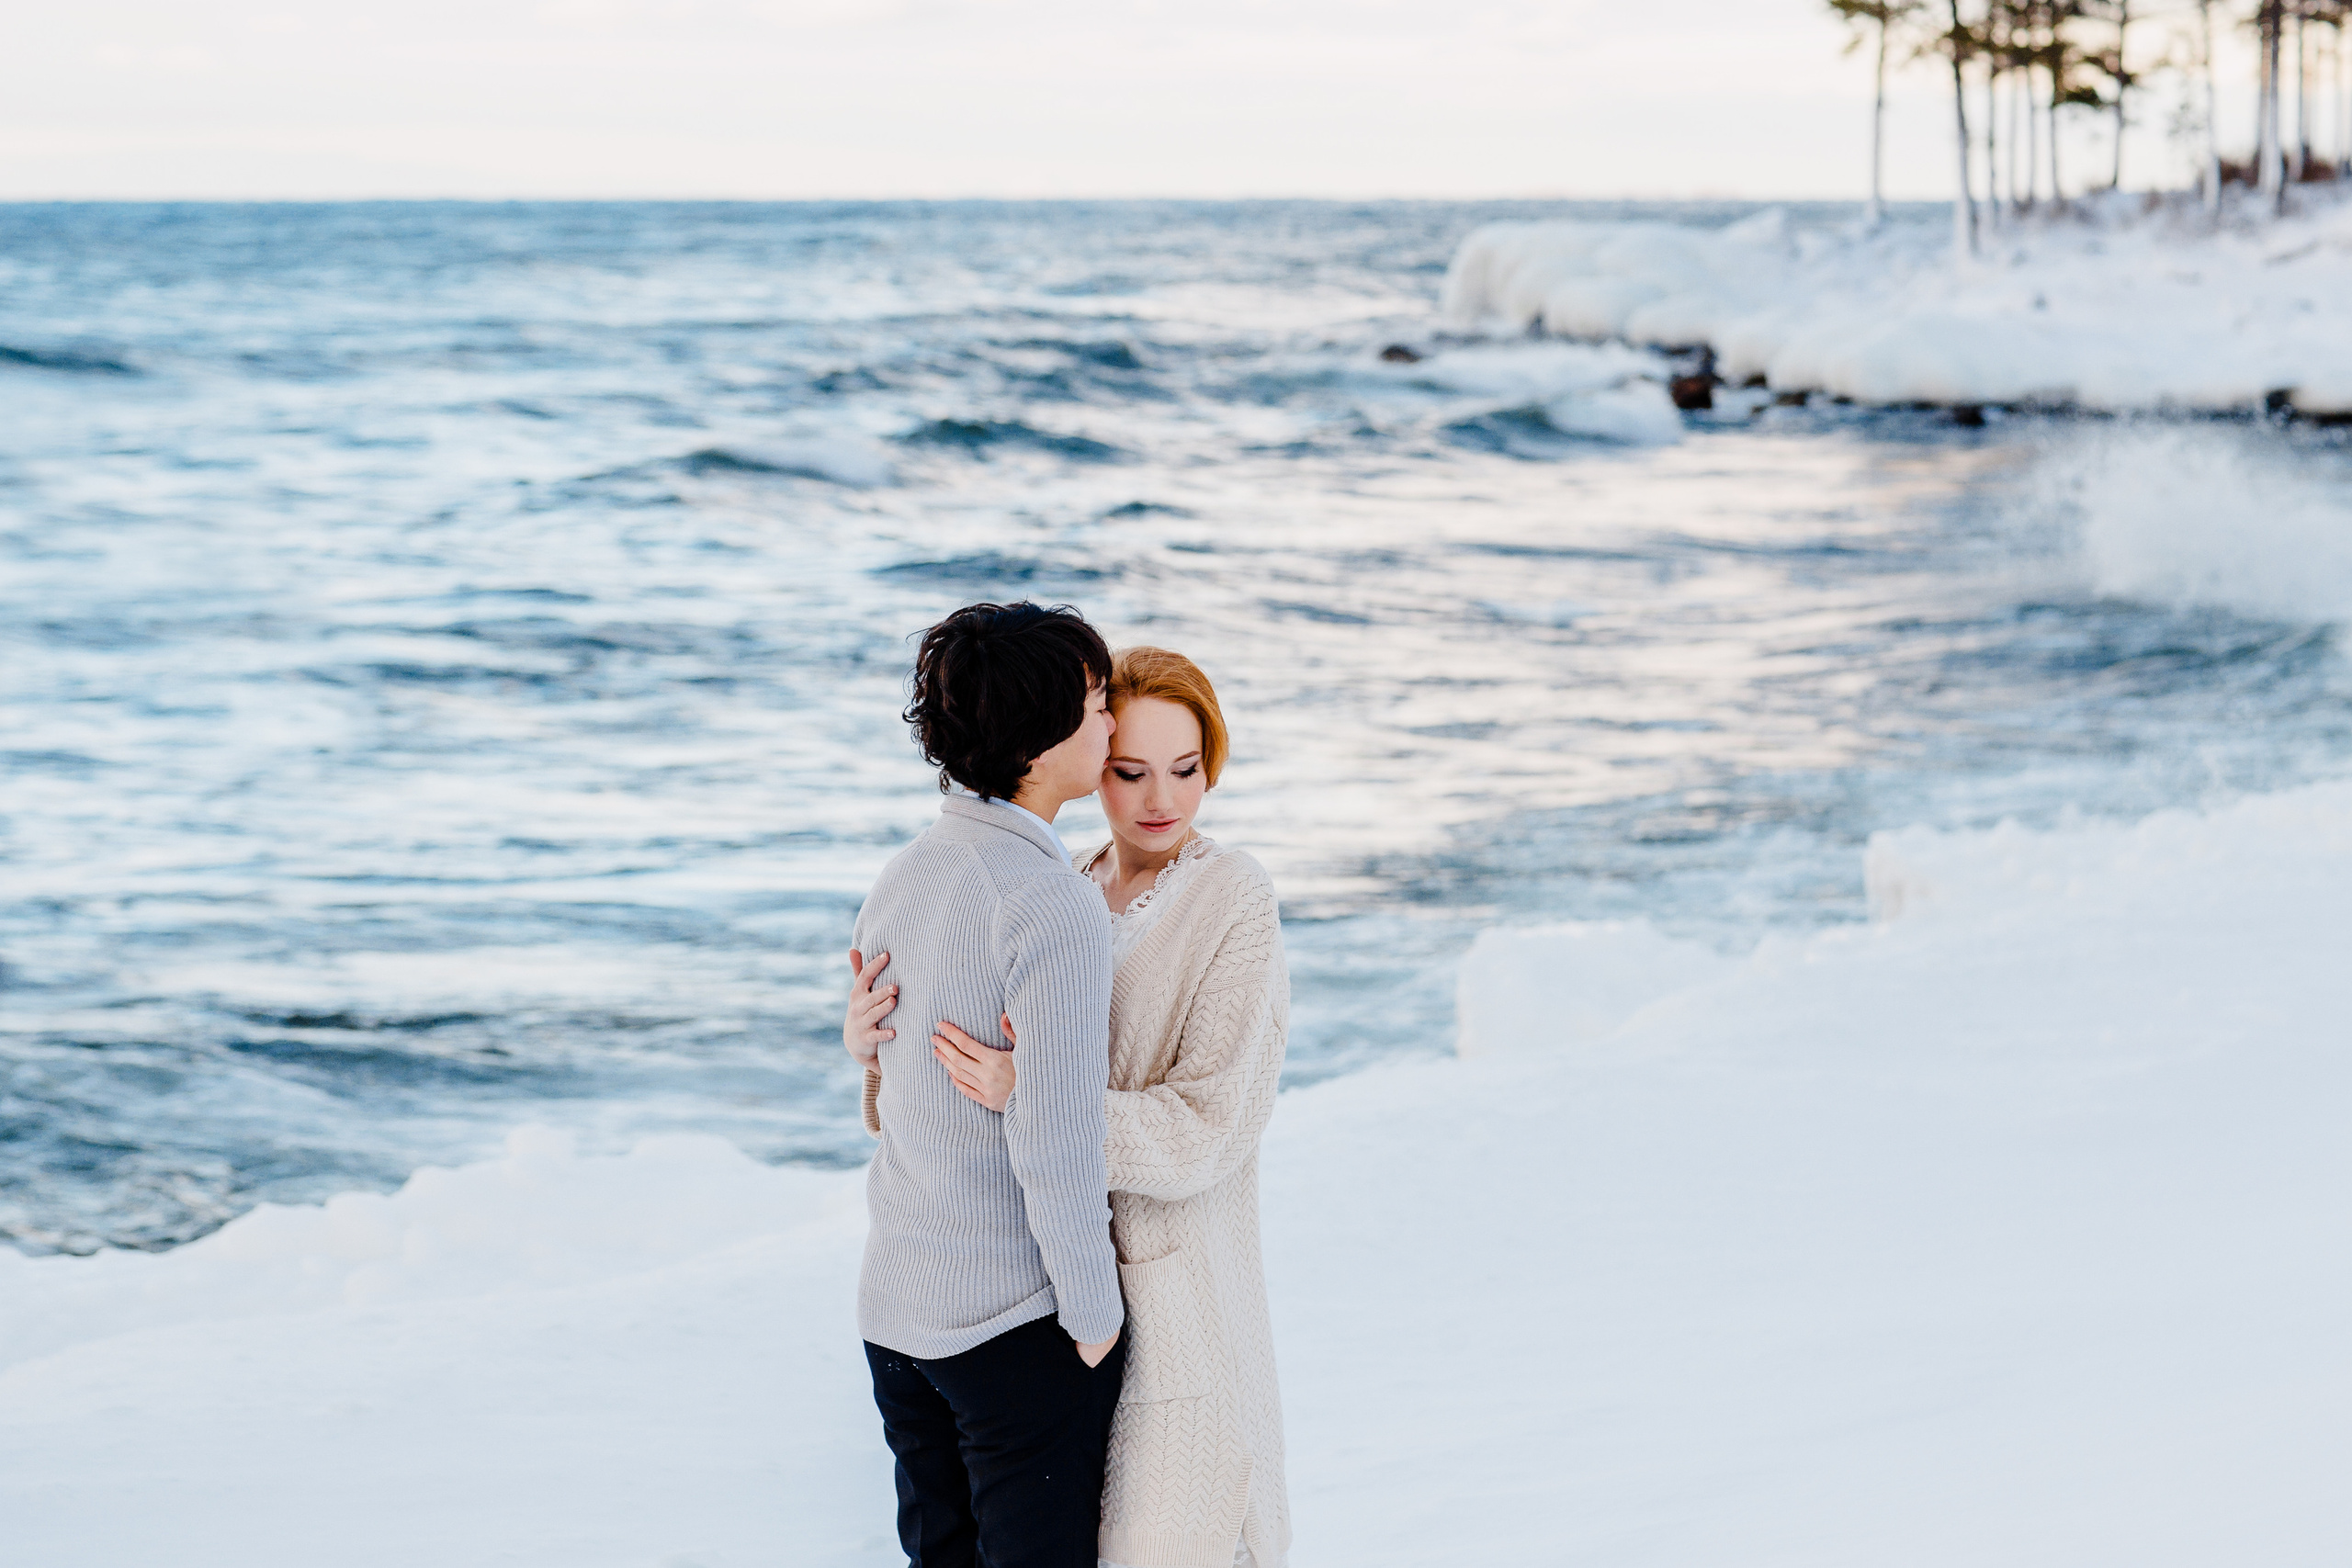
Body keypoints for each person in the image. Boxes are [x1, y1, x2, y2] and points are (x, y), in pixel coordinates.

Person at [850, 646, 1292, 1568]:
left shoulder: (1231, 898)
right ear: (1092, 761)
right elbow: (937, 1075)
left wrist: (1041, 1100)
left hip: (1170, 1292)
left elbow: (1214, 1123)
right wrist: (868, 1047)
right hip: (1055, 1284)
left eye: (1187, 768)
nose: (1159, 799)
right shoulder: (1062, 888)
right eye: (1129, 769)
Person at [842, 601, 1128, 1568]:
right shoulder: (1051, 903)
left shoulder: (906, 873)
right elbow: (1053, 1139)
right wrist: (1093, 1317)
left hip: (896, 1311)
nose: (1113, 723)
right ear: (1042, 742)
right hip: (1007, 1322)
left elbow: (888, 1071)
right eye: (1096, 704)